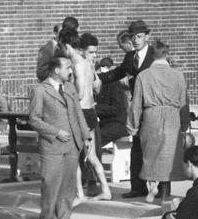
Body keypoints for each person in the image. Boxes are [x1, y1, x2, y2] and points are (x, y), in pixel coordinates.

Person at [29, 53, 89, 219]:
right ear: (57, 70)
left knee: (68, 186)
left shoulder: (69, 87)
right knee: (50, 184)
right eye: (67, 68)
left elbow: (78, 114)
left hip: (73, 145)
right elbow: (34, 119)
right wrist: (55, 132)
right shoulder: (40, 90)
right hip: (52, 146)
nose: (70, 71)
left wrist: (86, 138)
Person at [127, 40, 189, 202]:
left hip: (151, 117)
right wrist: (184, 124)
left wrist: (133, 126)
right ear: (167, 55)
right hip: (172, 118)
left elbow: (136, 104)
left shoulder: (143, 75)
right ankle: (164, 192)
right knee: (168, 157)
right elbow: (184, 102)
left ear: (152, 55)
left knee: (151, 155)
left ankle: (152, 186)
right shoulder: (178, 75)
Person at [103, 19, 156, 196]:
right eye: (133, 37)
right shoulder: (130, 57)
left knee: (155, 147)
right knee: (137, 147)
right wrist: (97, 78)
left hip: (153, 107)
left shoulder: (156, 56)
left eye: (139, 36)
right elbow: (116, 73)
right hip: (137, 109)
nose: (135, 40)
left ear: (147, 36)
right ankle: (137, 188)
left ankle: (161, 188)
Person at [64, 31, 109, 199]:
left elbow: (81, 94)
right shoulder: (88, 65)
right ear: (82, 50)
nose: (94, 55)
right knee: (91, 156)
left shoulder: (79, 64)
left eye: (95, 52)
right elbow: (97, 87)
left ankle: (79, 194)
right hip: (90, 112)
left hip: (82, 112)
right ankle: (105, 189)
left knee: (74, 156)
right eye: (91, 52)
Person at [36, 15, 79, 80]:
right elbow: (41, 73)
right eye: (60, 33)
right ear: (55, 33)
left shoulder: (69, 48)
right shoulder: (47, 49)